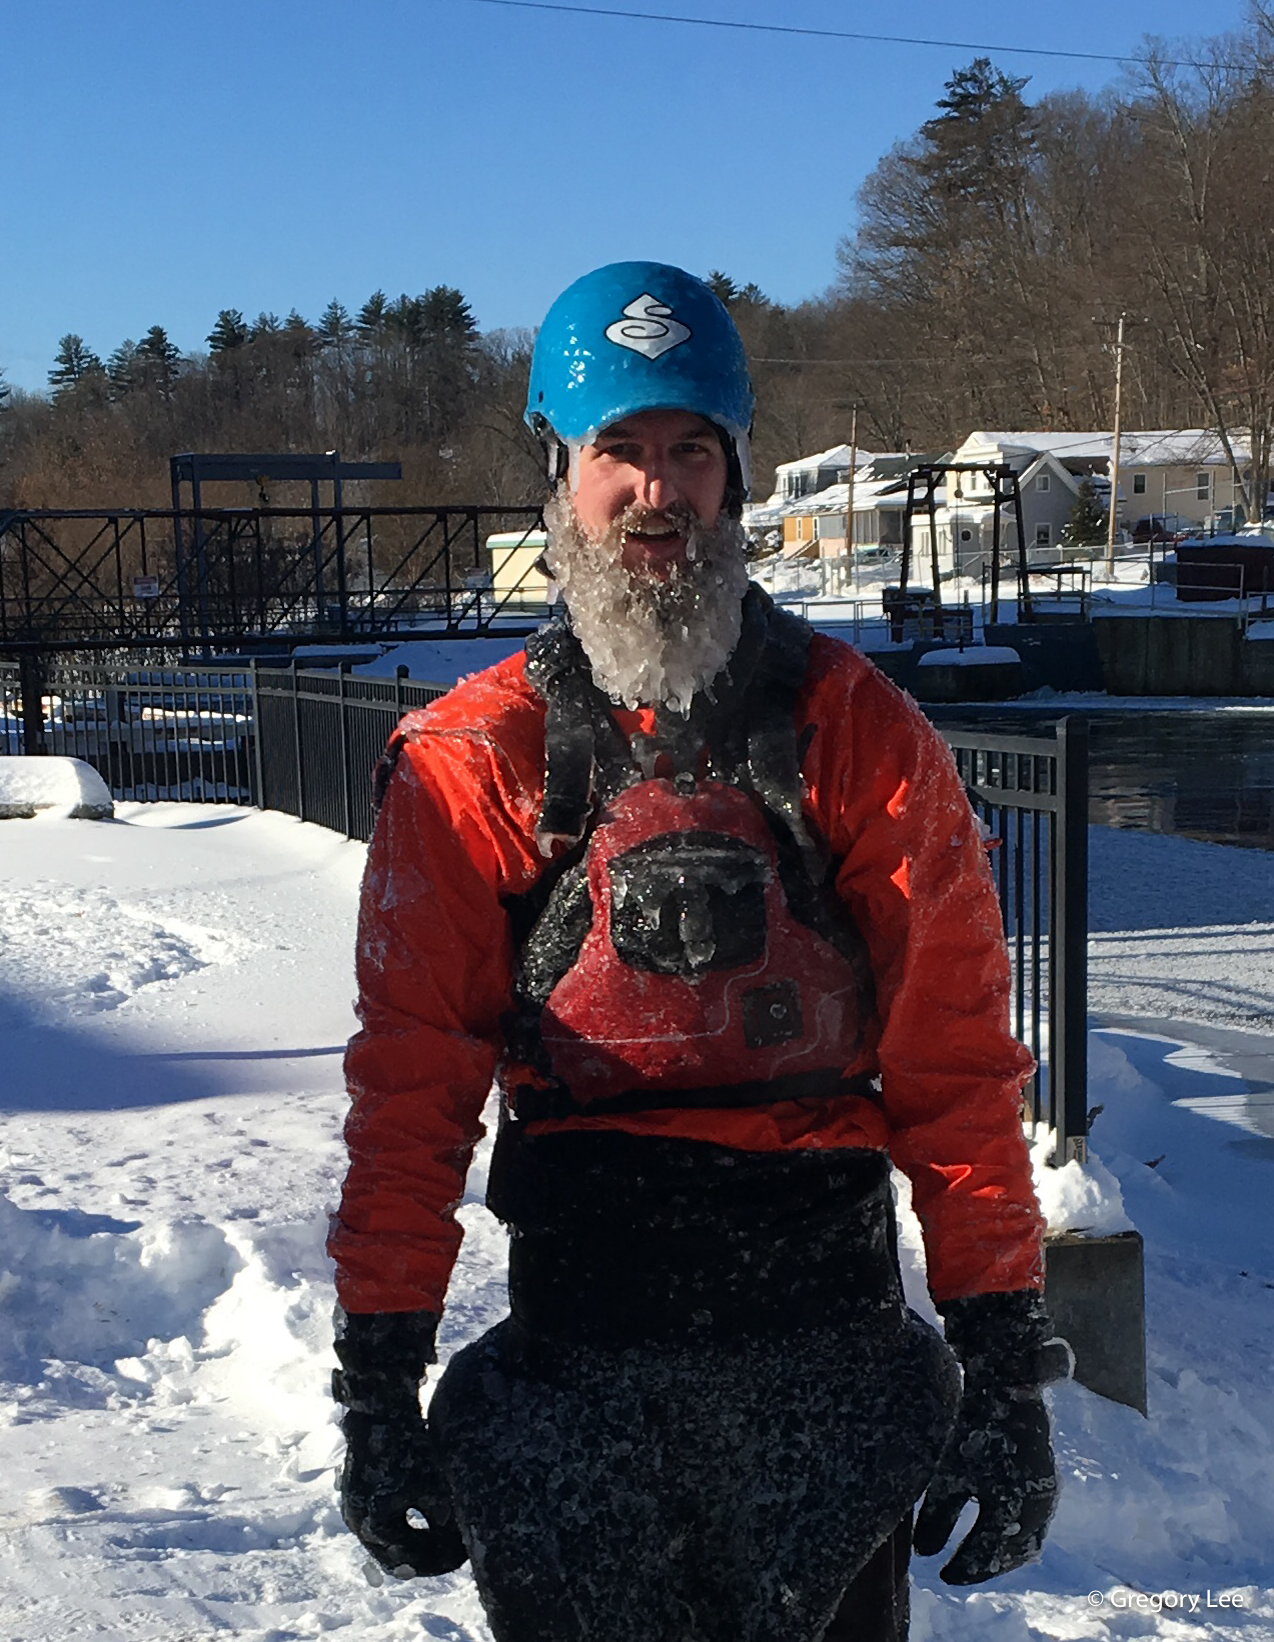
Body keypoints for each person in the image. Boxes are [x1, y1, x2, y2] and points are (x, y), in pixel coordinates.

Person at [327, 261, 1068, 1642]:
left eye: (689, 451)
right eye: (620, 452)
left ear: (733, 475)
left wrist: (1002, 1369)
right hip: (578, 1370)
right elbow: (411, 1090)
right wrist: (377, 1378)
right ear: (559, 472)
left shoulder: (861, 733)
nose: (656, 493)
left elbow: (954, 1066)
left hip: (825, 1363)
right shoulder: (468, 760)